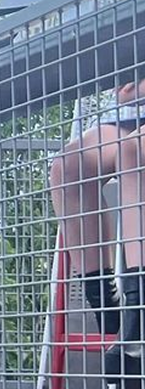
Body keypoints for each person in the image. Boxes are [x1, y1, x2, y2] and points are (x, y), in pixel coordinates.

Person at [48, 76, 145, 346]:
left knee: (134, 153)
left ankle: (139, 315)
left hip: (134, 122)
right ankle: (106, 307)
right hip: (124, 117)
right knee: (69, 168)